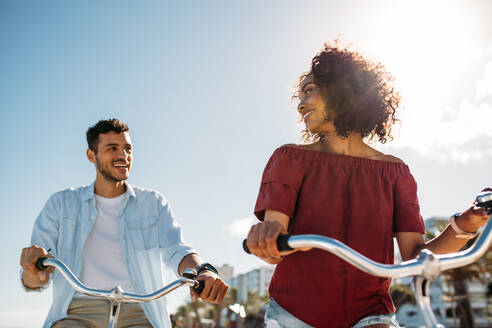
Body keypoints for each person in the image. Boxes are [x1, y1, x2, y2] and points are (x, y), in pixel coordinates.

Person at [245, 42, 491, 328]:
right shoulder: (289, 159)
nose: (300, 104)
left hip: (371, 314)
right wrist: (268, 237)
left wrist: (468, 223)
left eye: (310, 90)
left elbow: (414, 257)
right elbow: (276, 236)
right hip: (294, 314)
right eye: (301, 94)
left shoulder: (396, 172)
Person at [20, 119, 228, 328]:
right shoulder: (61, 204)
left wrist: (204, 270)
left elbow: (177, 250)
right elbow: (35, 278)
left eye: (127, 148)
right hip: (76, 312)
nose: (123, 155)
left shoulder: (153, 203)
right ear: (91, 156)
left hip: (139, 312)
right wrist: (32, 269)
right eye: (112, 148)